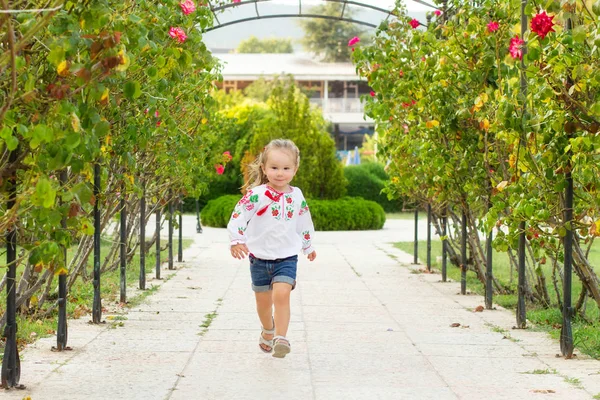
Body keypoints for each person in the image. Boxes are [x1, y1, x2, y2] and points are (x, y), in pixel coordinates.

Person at [227, 139, 317, 358]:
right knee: (264, 304)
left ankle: (281, 337)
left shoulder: (296, 196)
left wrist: (308, 245)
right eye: (274, 168)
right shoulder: (257, 194)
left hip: (286, 257)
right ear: (265, 168)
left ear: (295, 169)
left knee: (282, 294)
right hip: (259, 259)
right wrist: (236, 239)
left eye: (286, 168)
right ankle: (268, 329)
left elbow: (304, 221)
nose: (280, 173)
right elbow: (239, 214)